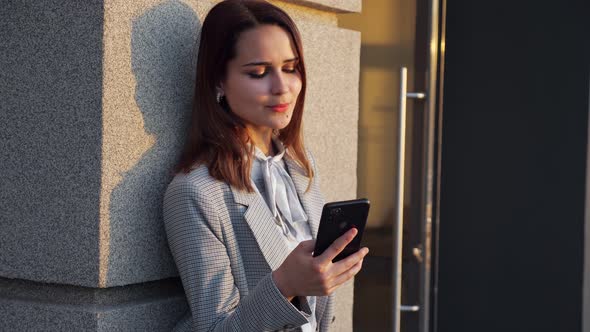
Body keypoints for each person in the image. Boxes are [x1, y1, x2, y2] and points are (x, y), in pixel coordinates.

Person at [163, 1, 369, 331]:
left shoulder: (300, 166)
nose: (282, 87)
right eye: (258, 73)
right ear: (218, 81)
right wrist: (286, 285)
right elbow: (215, 327)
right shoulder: (195, 193)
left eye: (290, 68)